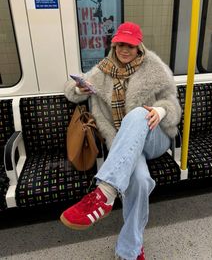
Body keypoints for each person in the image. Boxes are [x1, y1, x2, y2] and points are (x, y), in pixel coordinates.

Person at [60, 22, 181, 260]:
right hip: (124, 144)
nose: (125, 50)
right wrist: (79, 89)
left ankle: (105, 191)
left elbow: (174, 105)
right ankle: (130, 250)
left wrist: (161, 112)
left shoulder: (154, 68)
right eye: (120, 45)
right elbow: (70, 91)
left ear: (139, 47)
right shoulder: (101, 72)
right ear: (114, 45)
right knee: (141, 180)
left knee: (137, 114)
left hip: (155, 137)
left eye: (131, 46)